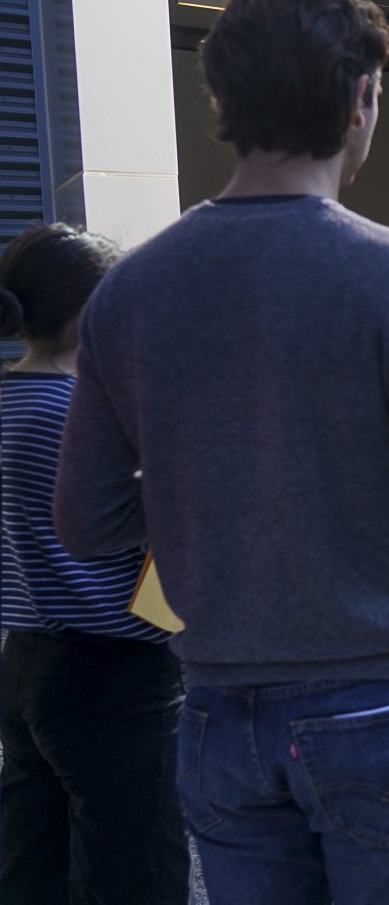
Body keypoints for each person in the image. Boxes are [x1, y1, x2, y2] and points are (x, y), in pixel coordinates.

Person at [53, 0, 389, 905]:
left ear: (222, 100)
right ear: (360, 99)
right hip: (385, 702)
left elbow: (89, 524)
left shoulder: (132, 290)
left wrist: (209, 465)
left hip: (219, 713)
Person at [0, 225, 188, 904]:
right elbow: (163, 532)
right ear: (91, 311)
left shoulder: (9, 401)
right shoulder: (82, 413)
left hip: (23, 660)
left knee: (31, 862)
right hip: (110, 671)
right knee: (134, 869)